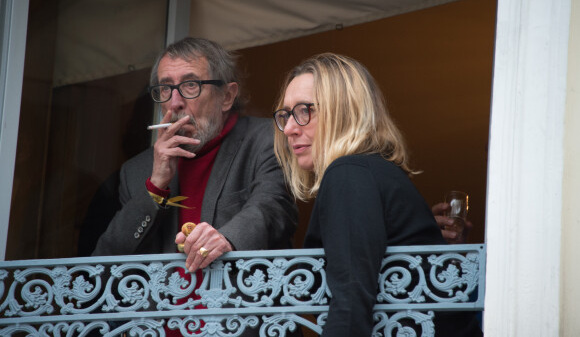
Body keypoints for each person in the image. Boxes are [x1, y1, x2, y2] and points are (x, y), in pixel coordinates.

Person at [272, 53, 482, 336]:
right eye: (285, 114)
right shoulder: (369, 171)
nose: (288, 128)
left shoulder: (348, 172)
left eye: (304, 111)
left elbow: (349, 304)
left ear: (344, 111)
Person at [93, 37, 298, 272]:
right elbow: (105, 261)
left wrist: (226, 238)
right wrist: (156, 188)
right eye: (165, 88)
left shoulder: (267, 140)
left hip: (236, 305)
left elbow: (272, 207)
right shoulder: (136, 171)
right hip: (165, 309)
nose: (175, 103)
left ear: (227, 96)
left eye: (191, 85)